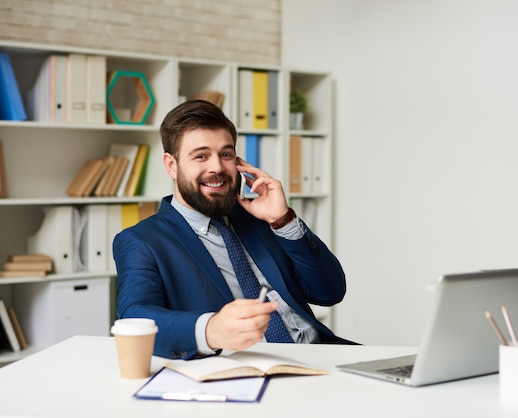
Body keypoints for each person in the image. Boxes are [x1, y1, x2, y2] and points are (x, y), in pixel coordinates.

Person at [113, 100, 355, 359]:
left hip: (321, 356)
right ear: (171, 165)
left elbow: (330, 291)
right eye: (201, 156)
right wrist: (210, 330)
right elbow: (135, 317)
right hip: (246, 373)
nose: (217, 167)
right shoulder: (142, 241)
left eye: (226, 154)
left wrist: (283, 220)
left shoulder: (261, 219)